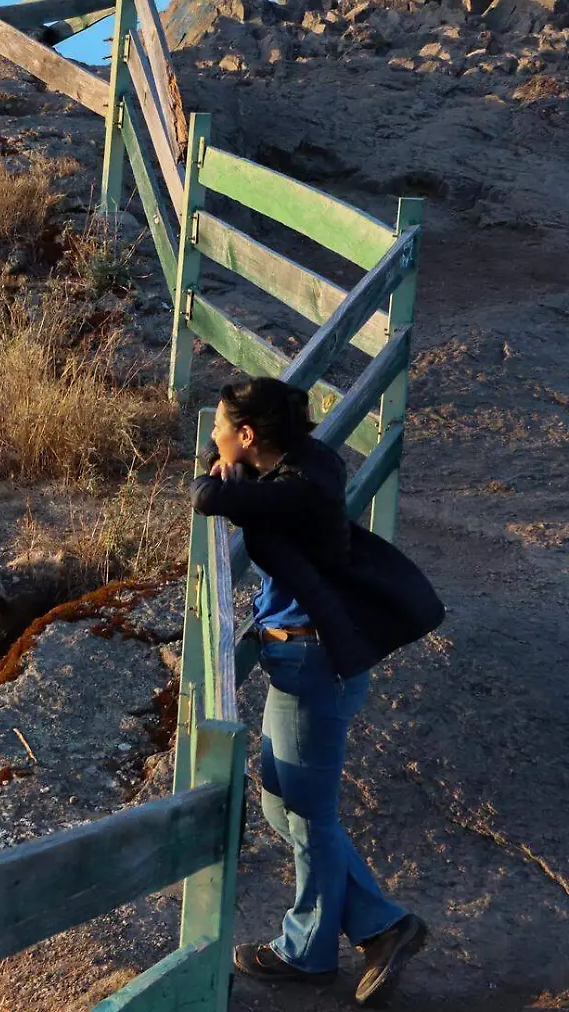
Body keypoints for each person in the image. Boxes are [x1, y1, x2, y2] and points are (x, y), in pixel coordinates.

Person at [190, 376, 434, 1006]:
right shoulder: (309, 464)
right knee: (283, 805)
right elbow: (224, 486)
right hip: (310, 655)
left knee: (308, 815)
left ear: (248, 437)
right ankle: (382, 926)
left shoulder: (291, 493)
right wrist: (236, 470)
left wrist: (227, 476)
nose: (213, 434)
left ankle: (308, 953)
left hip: (310, 660)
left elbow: (204, 497)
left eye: (221, 426)